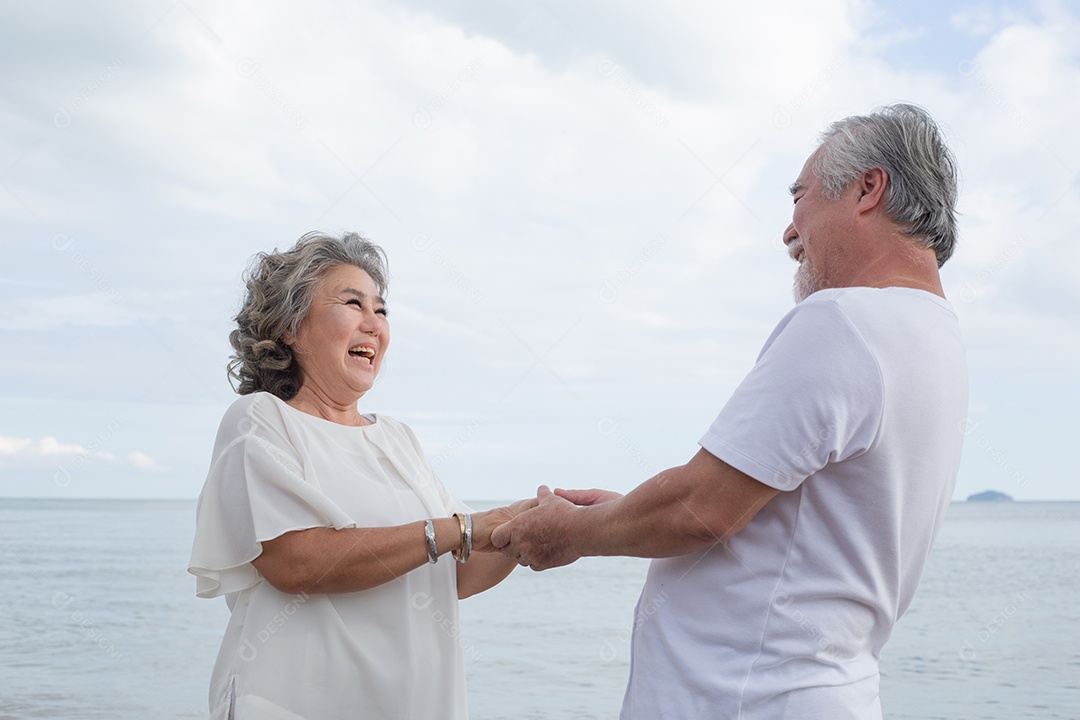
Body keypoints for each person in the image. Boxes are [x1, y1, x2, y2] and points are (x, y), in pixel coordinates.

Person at [490, 104, 968, 719]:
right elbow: (791, 522)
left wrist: (567, 535)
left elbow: (702, 509)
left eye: (800, 197)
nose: (789, 231)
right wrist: (627, 512)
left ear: (867, 188)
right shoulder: (935, 339)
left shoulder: (845, 321)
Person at [189, 231, 532, 719]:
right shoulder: (261, 420)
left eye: (382, 310)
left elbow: (457, 571)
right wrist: (463, 529)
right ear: (289, 326)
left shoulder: (398, 439)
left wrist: (524, 526)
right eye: (353, 304)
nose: (374, 325)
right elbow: (296, 562)